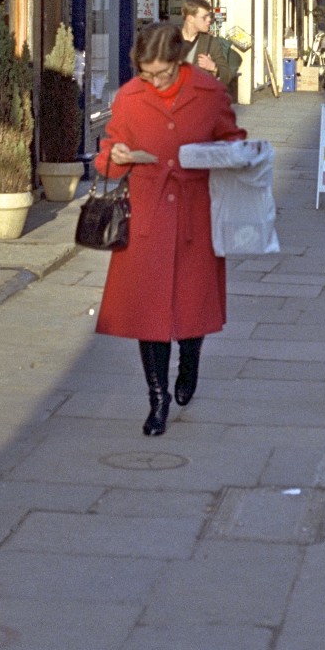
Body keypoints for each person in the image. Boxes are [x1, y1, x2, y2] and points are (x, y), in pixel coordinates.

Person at [93, 22, 246, 437]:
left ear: (179, 61)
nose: (155, 80)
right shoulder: (128, 98)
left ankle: (191, 362)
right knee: (150, 314)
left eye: (162, 72)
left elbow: (235, 142)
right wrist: (118, 156)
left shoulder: (209, 92)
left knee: (192, 306)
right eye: (147, 73)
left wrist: (216, 153)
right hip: (148, 216)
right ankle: (156, 399)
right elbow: (106, 157)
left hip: (196, 212)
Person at [177, 0, 231, 85]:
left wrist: (213, 68)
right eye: (204, 17)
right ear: (190, 18)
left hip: (199, 96)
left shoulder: (211, 42)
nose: (209, 19)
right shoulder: (169, 39)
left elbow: (227, 75)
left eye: (210, 16)